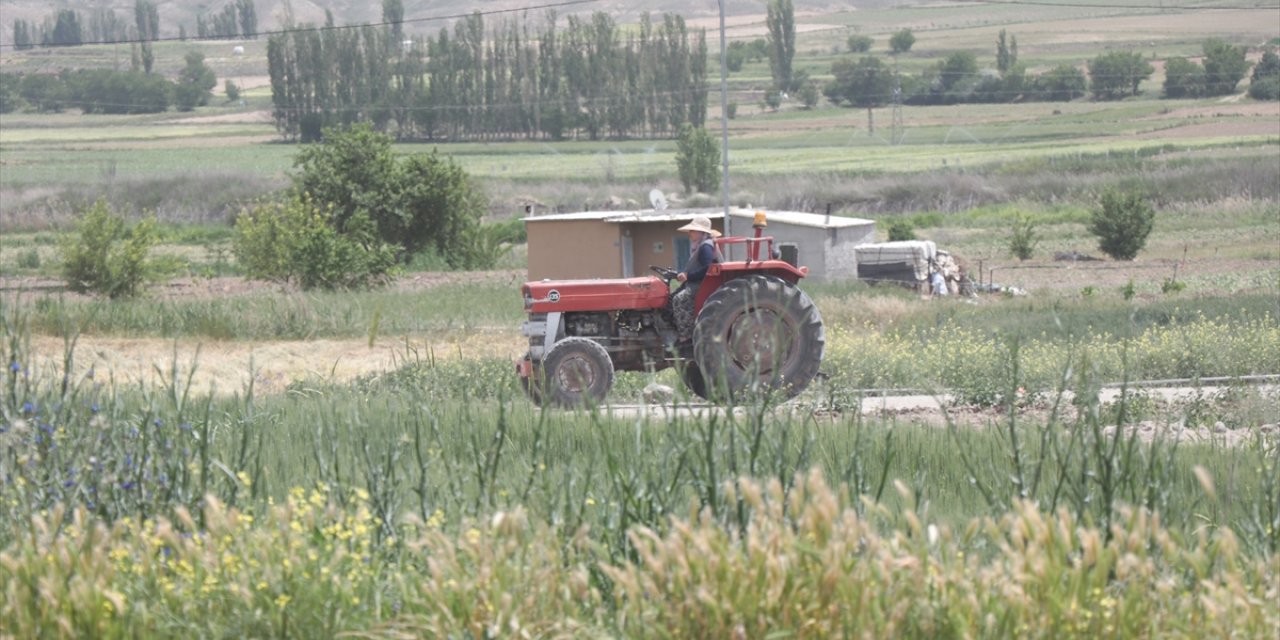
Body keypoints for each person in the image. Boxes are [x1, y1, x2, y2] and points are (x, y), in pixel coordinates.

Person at [671, 215, 723, 343]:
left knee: (679, 299)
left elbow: (707, 268)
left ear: (701, 232)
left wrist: (688, 276)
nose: (690, 233)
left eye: (693, 230)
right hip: (697, 281)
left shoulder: (706, 247)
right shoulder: (700, 246)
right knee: (671, 296)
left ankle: (686, 335)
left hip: (702, 283)